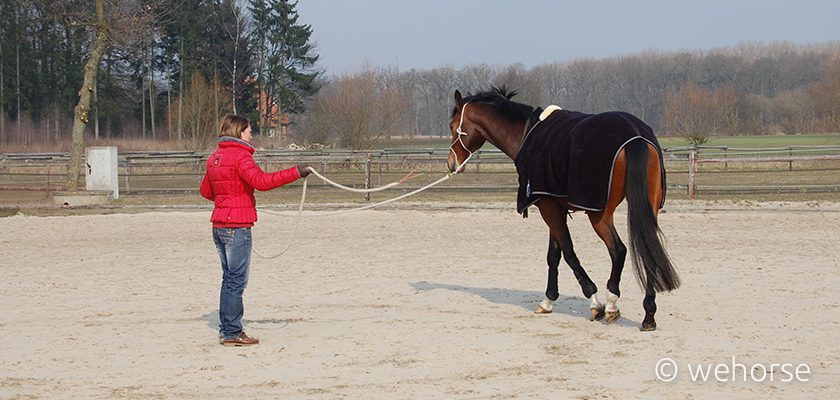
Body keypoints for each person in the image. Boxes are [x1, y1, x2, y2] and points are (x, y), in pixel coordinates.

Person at [199, 114, 310, 347]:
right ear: (240, 132)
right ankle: (231, 332)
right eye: (249, 131)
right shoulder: (241, 157)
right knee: (236, 281)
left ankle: (228, 329)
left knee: (229, 279)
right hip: (236, 226)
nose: (251, 135)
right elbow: (262, 182)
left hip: (219, 225)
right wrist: (296, 172)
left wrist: (228, 196)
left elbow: (206, 192)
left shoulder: (214, 158)